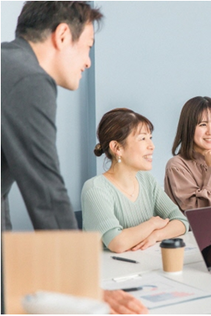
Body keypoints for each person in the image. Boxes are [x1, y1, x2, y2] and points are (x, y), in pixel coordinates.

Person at [1, 2, 147, 313]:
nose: (88, 62)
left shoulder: (7, 66)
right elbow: (46, 192)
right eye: (88, 47)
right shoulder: (28, 78)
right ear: (63, 35)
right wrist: (84, 288)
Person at [82, 108, 189, 253]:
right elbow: (117, 242)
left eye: (150, 138)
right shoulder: (95, 189)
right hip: (108, 273)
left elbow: (182, 222)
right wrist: (152, 224)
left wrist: (155, 235)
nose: (151, 146)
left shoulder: (147, 181)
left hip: (142, 267)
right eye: (142, 138)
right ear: (117, 148)